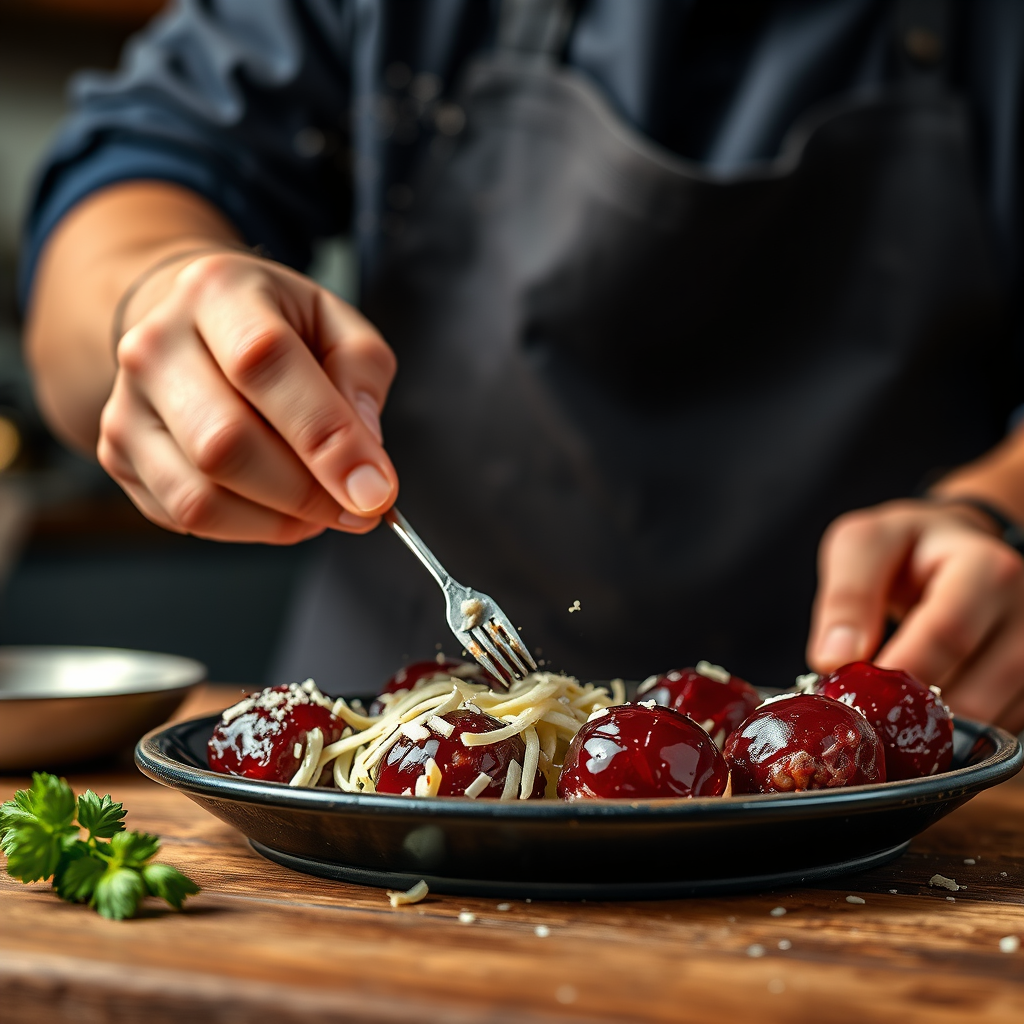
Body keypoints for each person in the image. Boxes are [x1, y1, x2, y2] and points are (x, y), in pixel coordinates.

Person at [20, 0, 1024, 730]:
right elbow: (130, 182)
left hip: (880, 794)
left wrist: (997, 513)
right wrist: (155, 294)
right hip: (376, 789)